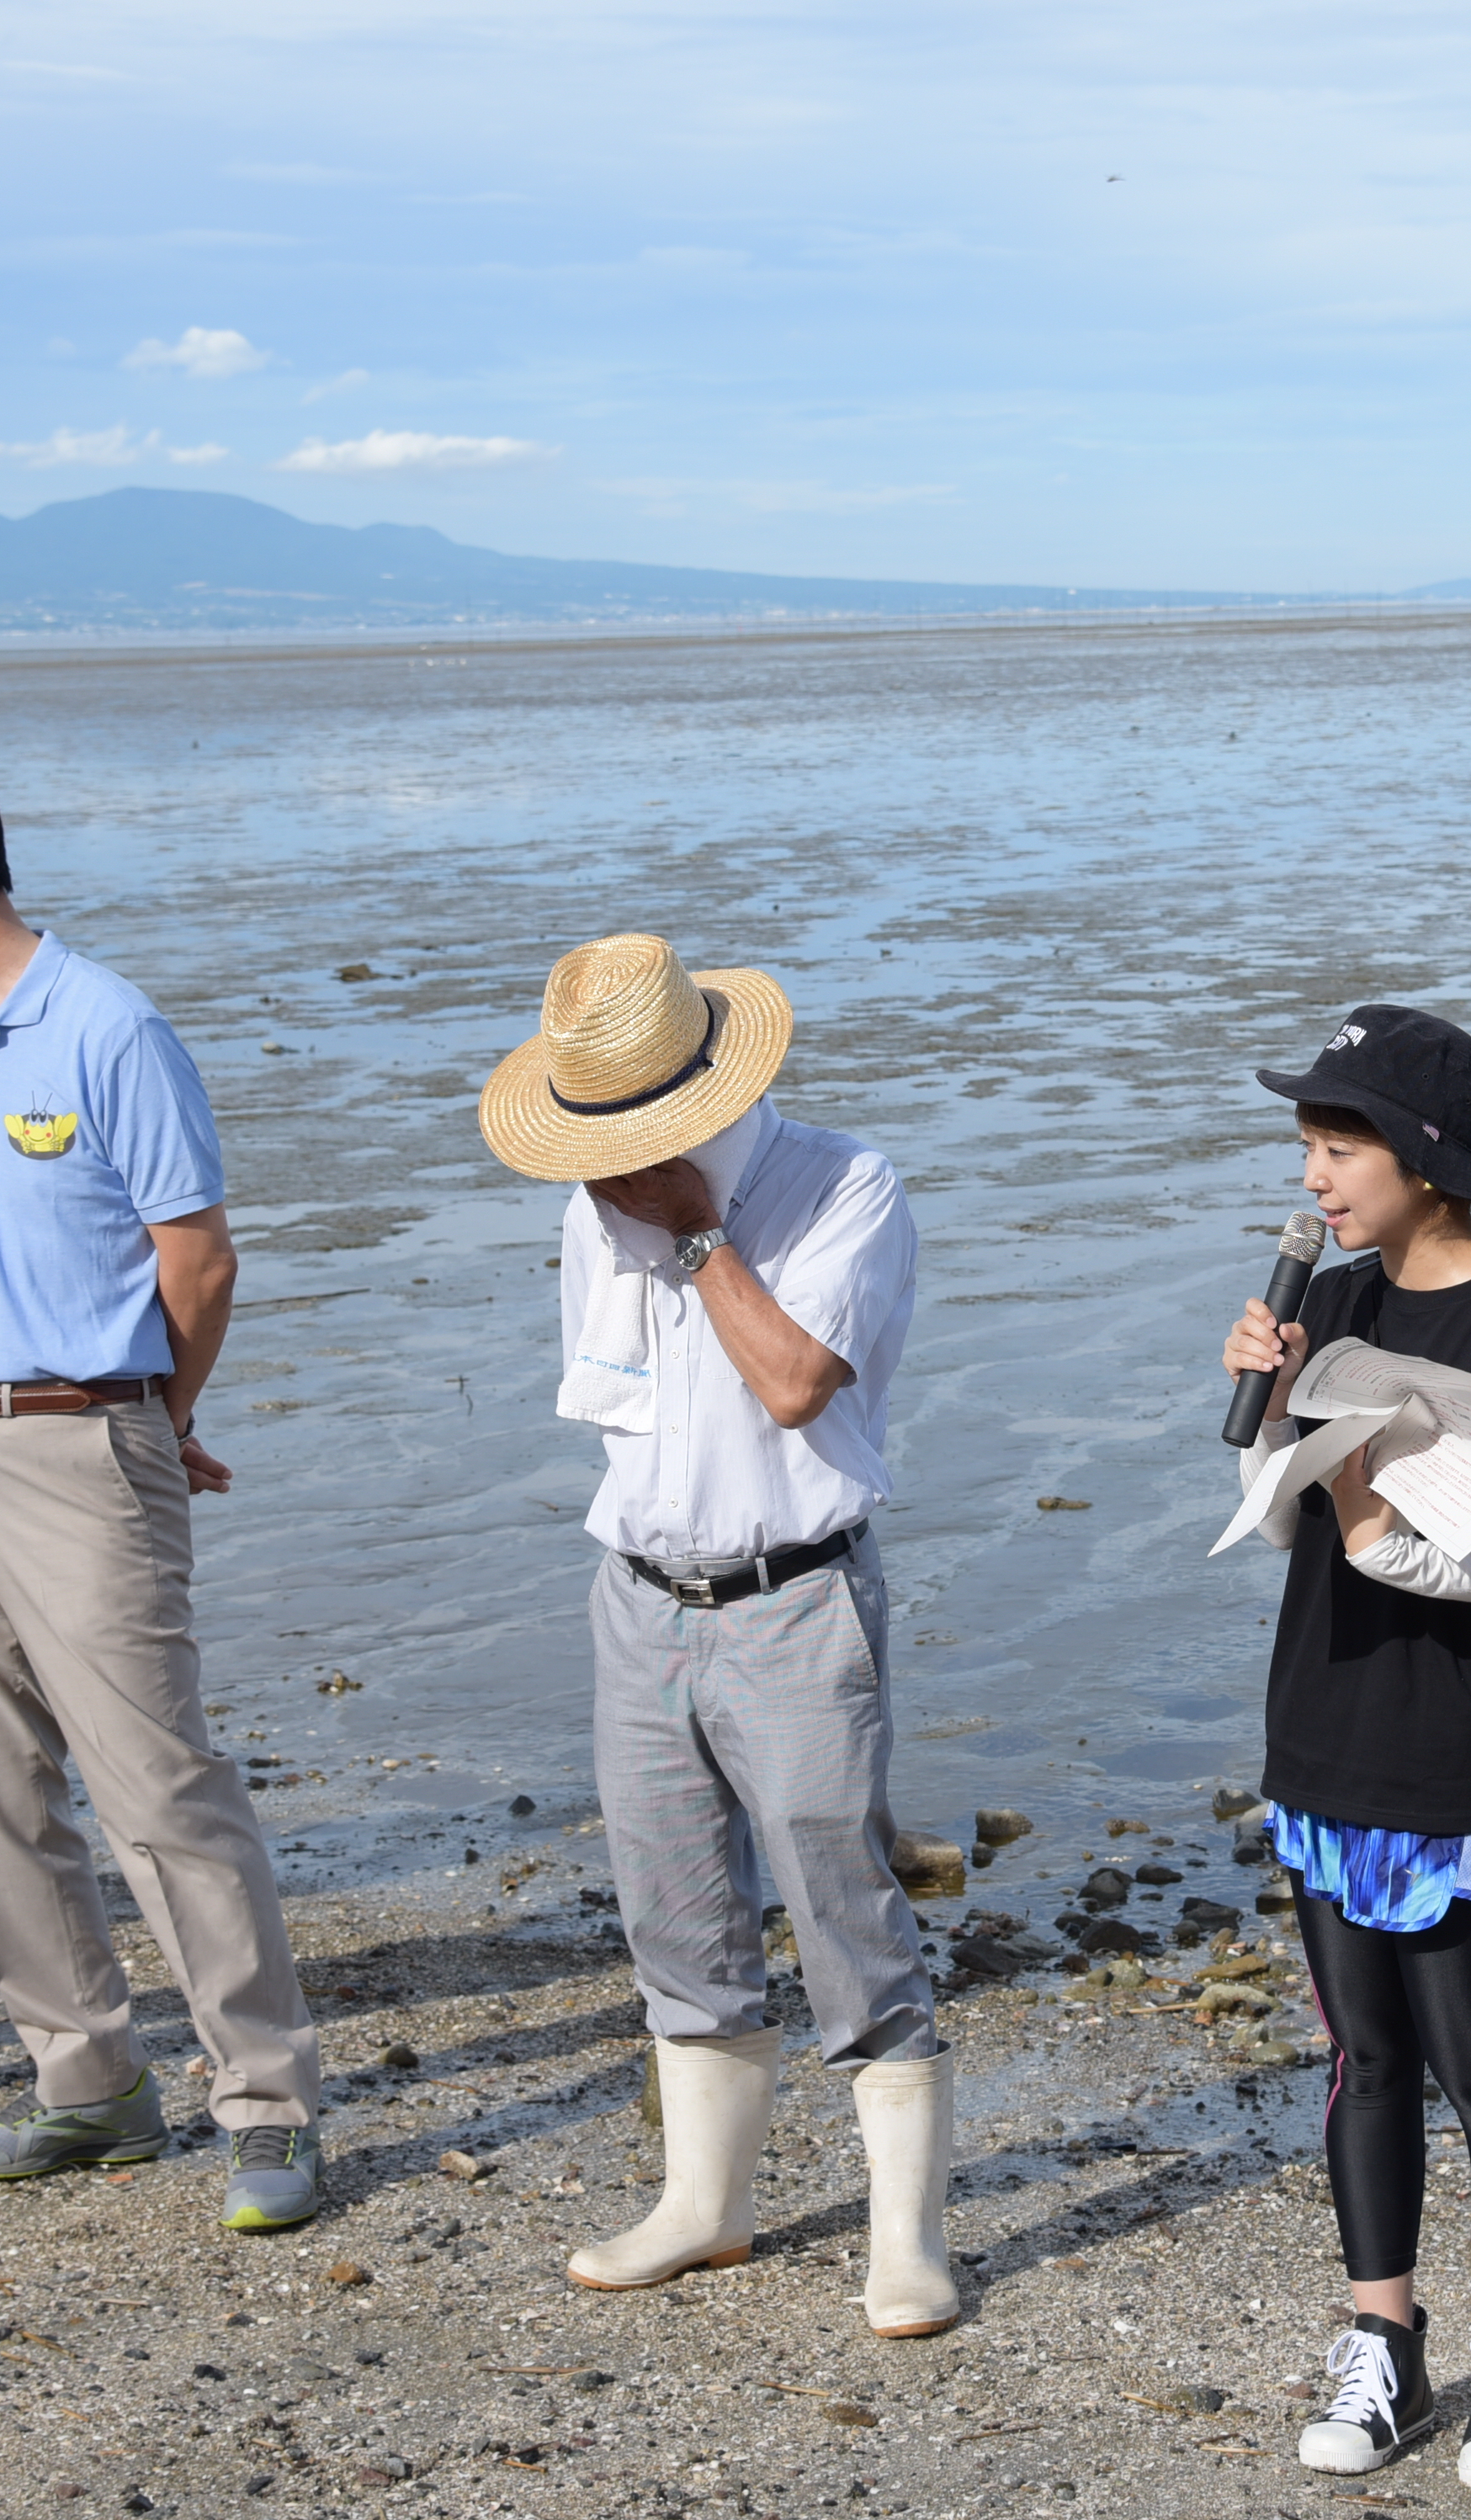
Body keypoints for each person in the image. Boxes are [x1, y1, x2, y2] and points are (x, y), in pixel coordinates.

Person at [0, 719, 325, 2232]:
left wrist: (154, 1413)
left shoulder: (106, 1027)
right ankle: (87, 2089)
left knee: (161, 1790)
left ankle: (269, 2104)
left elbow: (198, 1258)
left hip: (83, 1444)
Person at [475, 933, 950, 2338]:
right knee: (670, 1906)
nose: (604, 1161)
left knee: (844, 1908)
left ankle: (908, 2241)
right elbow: (614, 1404)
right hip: (637, 1597)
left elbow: (799, 1384)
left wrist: (694, 1231)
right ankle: (705, 2206)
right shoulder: (590, 1205)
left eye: (628, 1131)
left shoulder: (844, 1185)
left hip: (798, 1597)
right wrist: (639, 1211)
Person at [1221, 1005, 1471, 2497]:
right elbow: (1287, 1516)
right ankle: (1383, 2340)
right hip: (1322, 1734)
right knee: (1361, 2058)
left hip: (1460, 1764)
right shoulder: (1347, 1303)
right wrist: (1261, 1405)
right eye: (1308, 1148)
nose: (1315, 1179)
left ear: (1430, 1161)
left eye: (1340, 1147)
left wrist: (1384, 1533)